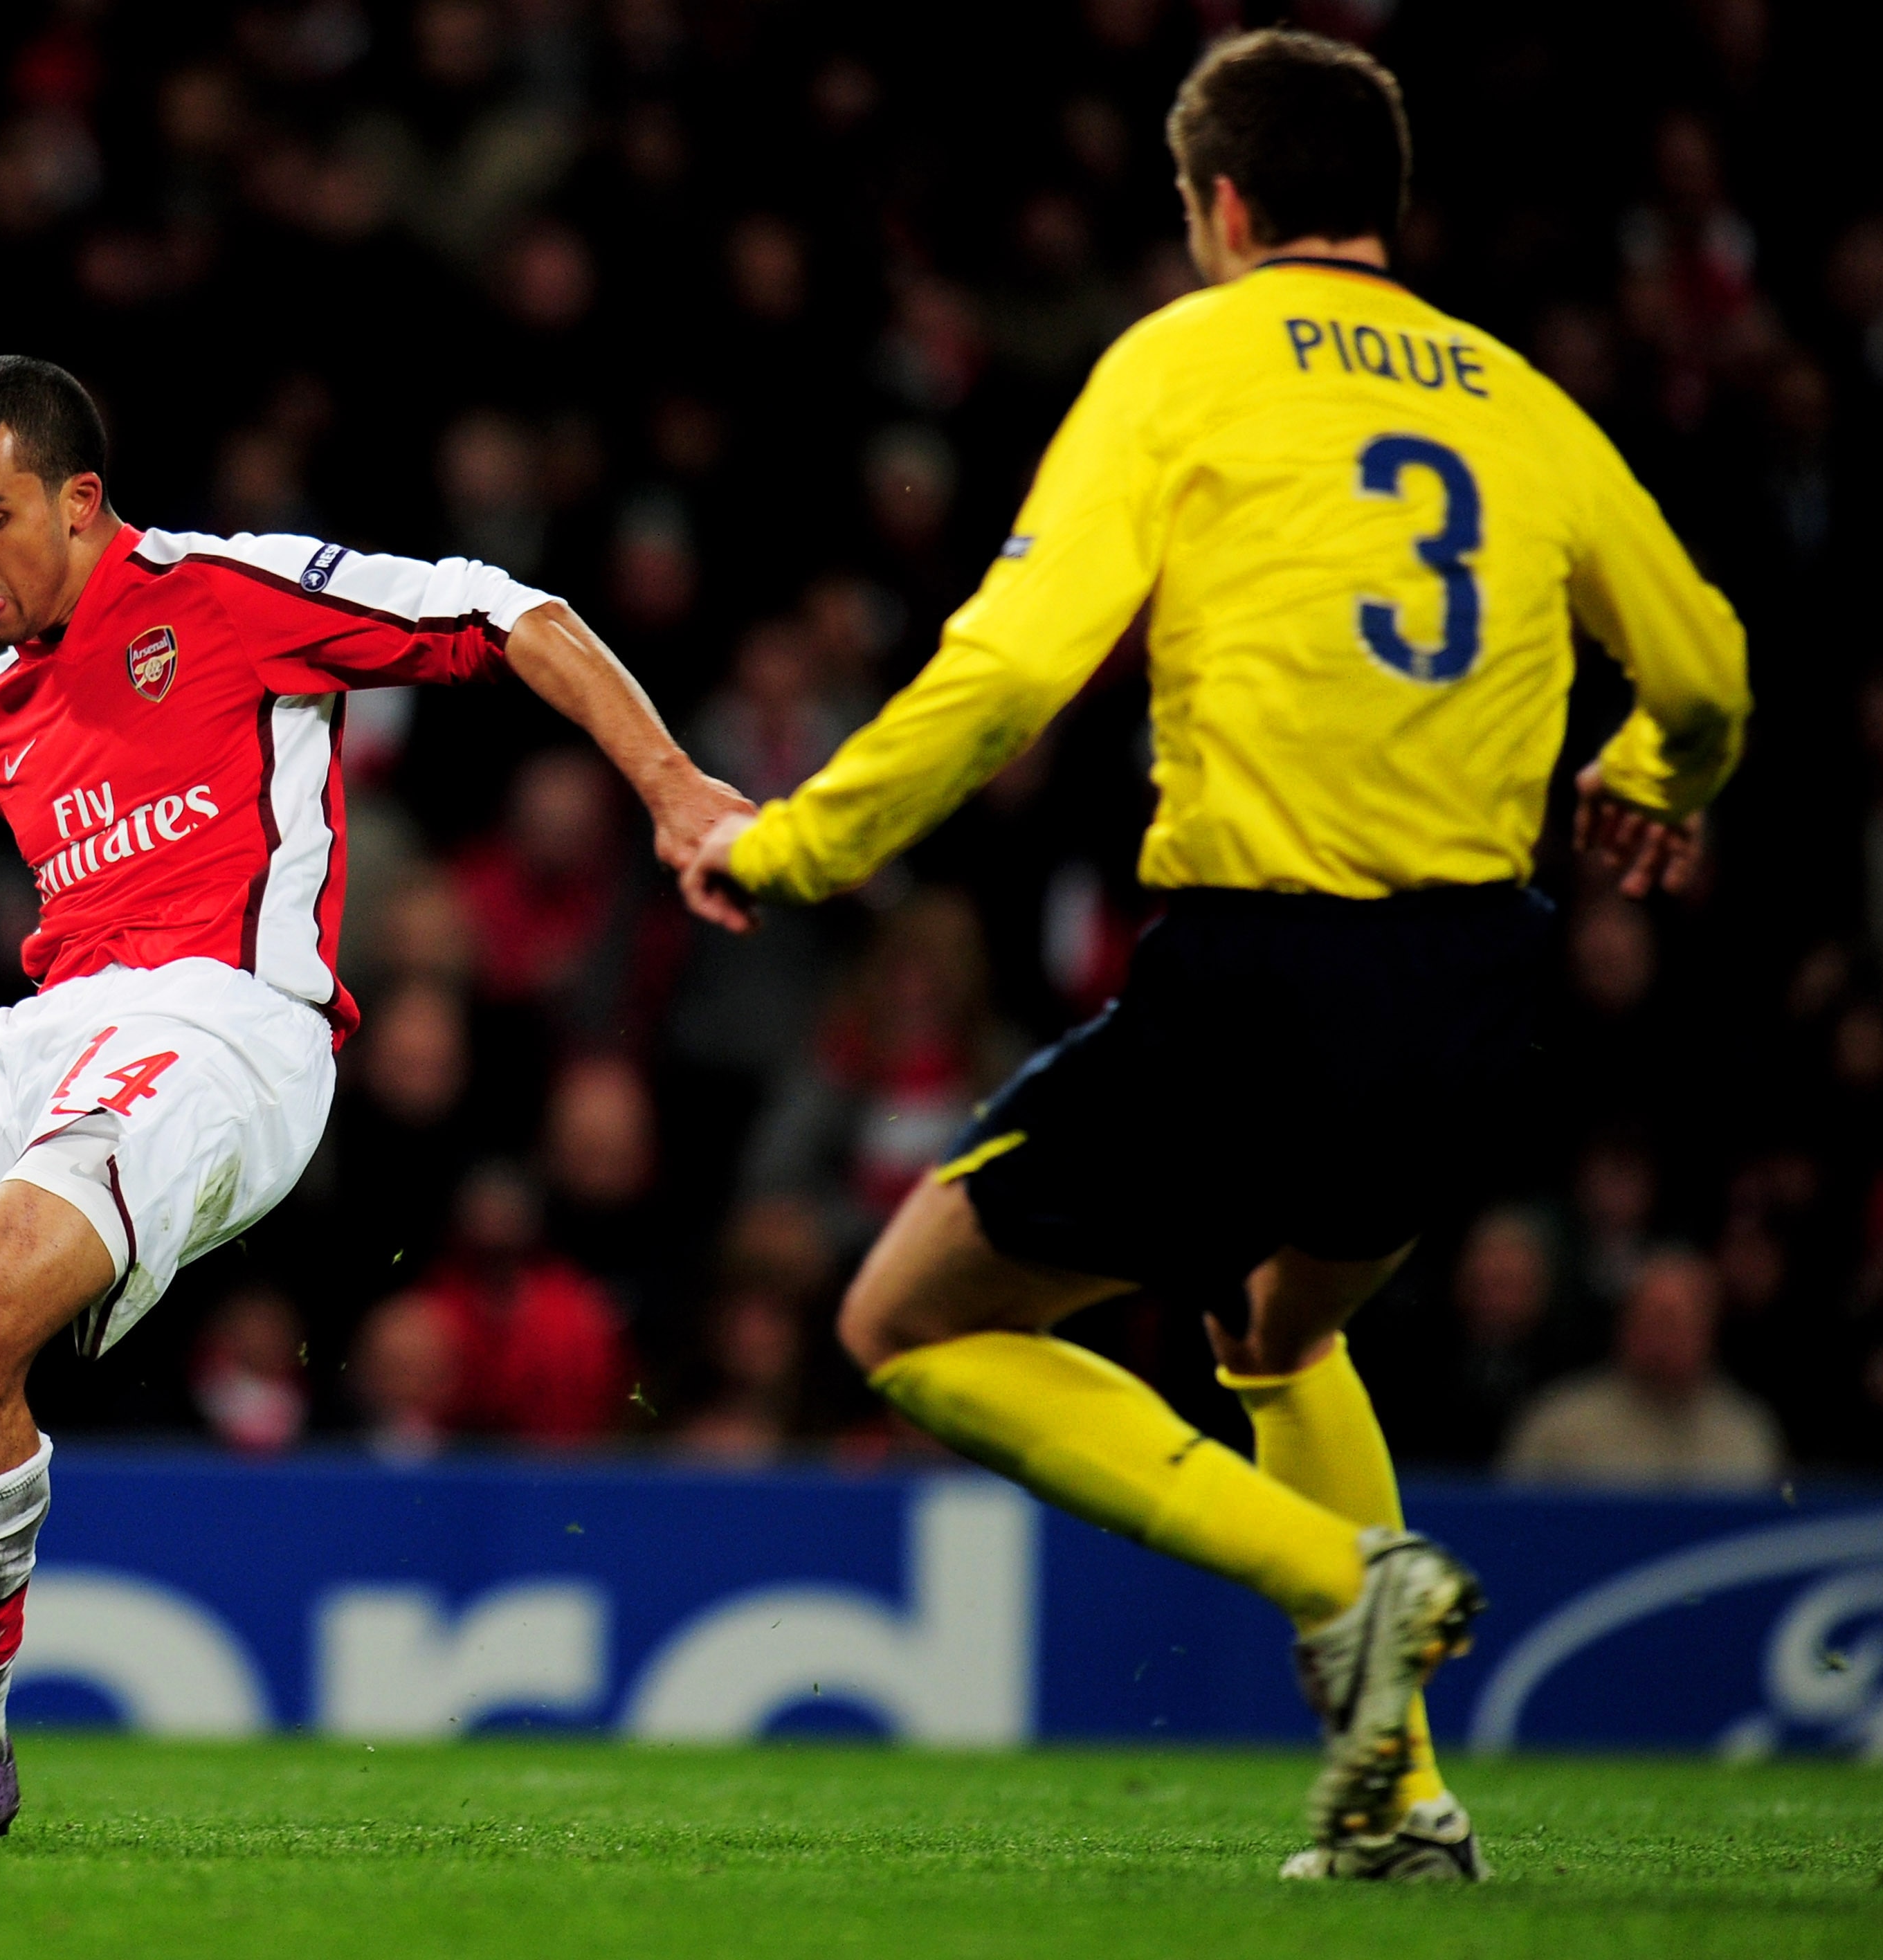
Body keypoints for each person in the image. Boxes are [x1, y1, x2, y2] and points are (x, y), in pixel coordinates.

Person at [680, 30, 1748, 1881]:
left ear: (1225, 208)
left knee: (902, 1321)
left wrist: (794, 844)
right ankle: (1402, 1801)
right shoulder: (1525, 400)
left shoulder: (1183, 357)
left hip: (1268, 973)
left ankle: (1343, 1580)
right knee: (1279, 1330)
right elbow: (1714, 667)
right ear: (1383, 209)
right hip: (1487, 993)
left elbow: (1010, 669)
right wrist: (1654, 775)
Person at [0, 356, 745, 1836]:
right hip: (51, 1027)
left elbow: (510, 612)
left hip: (233, 1033)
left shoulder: (222, 586)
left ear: (78, 501)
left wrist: (672, 786)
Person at [1499, 1247, 1783, 1489]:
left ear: (1709, 1330)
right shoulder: (1559, 1427)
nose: (1663, 1339)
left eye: (1675, 1323)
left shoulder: (1747, 1434)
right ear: (1624, 1326)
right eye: (1652, 1321)